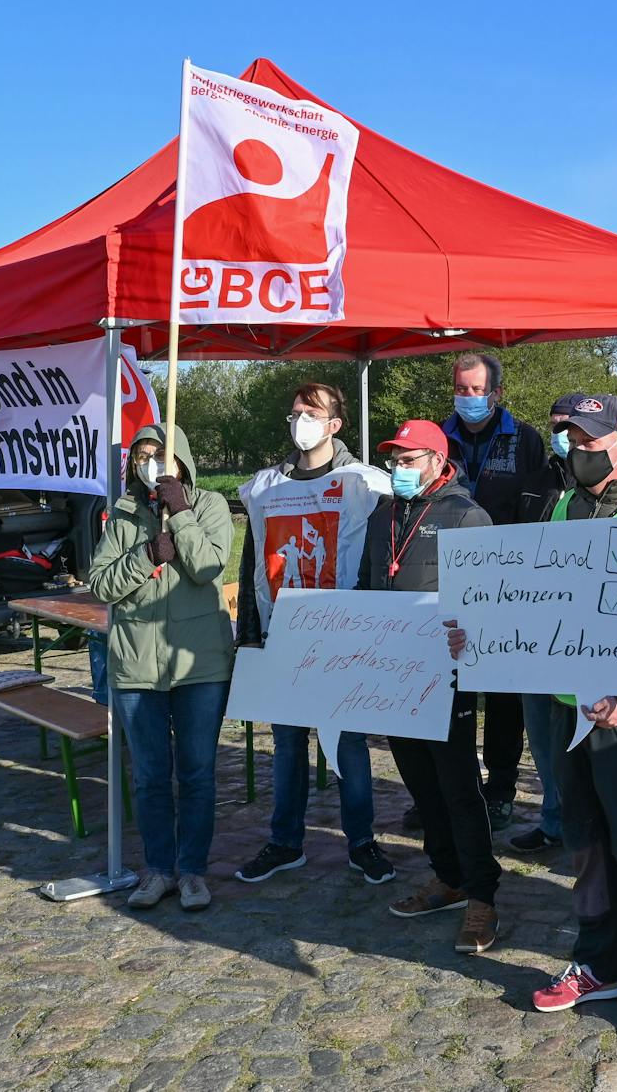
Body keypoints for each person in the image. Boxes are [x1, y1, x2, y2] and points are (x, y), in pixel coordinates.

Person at [456, 393, 617, 1043]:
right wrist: (477, 638)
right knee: (587, 845)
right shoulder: (565, 505)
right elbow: (536, 603)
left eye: (588, 439)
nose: (575, 449)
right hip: (570, 711)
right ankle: (598, 962)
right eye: (569, 438)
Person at [233, 382, 395, 888]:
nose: (300, 419)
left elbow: (375, 562)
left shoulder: (364, 484)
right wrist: (250, 633)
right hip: (283, 634)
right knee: (286, 744)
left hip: (342, 637)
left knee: (348, 745)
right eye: (295, 411)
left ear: (334, 425)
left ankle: (362, 843)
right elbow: (252, 562)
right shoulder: (266, 487)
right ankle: (285, 842)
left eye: (312, 412)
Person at [356, 420, 503, 953]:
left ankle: (483, 893)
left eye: (410, 459)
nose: (399, 468)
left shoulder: (467, 515)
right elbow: (368, 585)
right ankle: (449, 876)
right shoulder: (383, 516)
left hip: (448, 676)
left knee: (459, 788)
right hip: (395, 674)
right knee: (420, 785)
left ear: (440, 463)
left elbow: (492, 599)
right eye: (393, 459)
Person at [90, 423, 236, 911]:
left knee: (196, 772)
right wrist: (146, 554)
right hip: (136, 665)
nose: (149, 463)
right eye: (141, 456)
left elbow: (209, 566)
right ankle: (157, 868)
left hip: (199, 665)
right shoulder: (124, 514)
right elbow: (101, 585)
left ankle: (192, 871)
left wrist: (182, 512)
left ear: (181, 461)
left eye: (159, 455)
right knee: (150, 775)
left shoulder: (211, 506)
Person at [441, 353, 547, 832]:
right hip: (448, 578)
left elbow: (538, 506)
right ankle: (451, 791)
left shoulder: (524, 439)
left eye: (476, 389)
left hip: (509, 586)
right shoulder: (438, 438)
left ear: (496, 393)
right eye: (461, 389)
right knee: (451, 690)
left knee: (504, 697)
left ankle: (501, 789)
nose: (468, 398)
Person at [509, 391, 588, 854]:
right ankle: (553, 817)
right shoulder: (533, 479)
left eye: (570, 428)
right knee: (541, 733)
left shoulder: (606, 484)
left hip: (583, 631)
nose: (562, 437)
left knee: (580, 733)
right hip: (531, 627)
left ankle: (583, 820)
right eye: (556, 427)